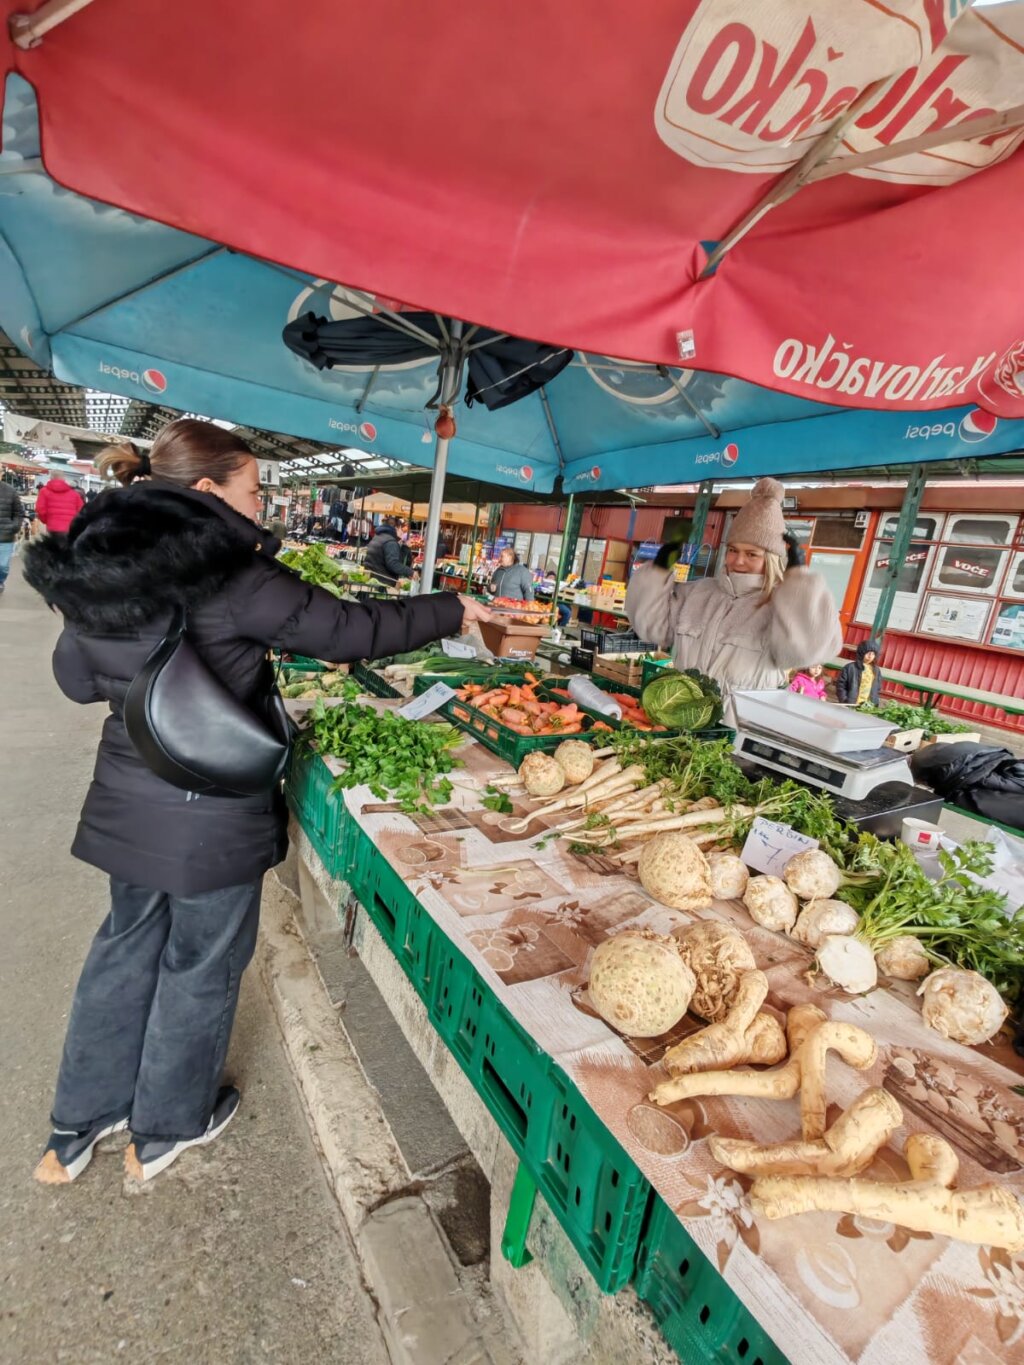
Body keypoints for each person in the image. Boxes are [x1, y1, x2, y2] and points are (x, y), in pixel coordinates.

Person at [22, 418, 490, 1185]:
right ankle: (167, 1126)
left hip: (127, 803)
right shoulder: (235, 574)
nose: (260, 506)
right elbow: (346, 629)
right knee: (201, 959)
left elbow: (76, 680)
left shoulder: (103, 564)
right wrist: (449, 609)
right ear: (208, 491)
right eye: (252, 489)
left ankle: (79, 1123)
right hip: (210, 810)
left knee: (123, 944)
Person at [626, 478, 842, 724]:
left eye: (752, 554)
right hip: (680, 718)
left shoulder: (780, 606)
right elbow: (652, 629)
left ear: (771, 558)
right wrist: (658, 572)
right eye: (733, 550)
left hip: (739, 729)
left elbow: (804, 652)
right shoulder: (699, 592)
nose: (738, 561)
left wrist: (800, 584)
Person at [364, 516, 412, 585]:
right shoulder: (390, 542)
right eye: (401, 529)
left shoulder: (378, 536)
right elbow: (393, 564)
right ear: (396, 528)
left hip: (372, 578)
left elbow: (396, 559)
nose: (402, 532)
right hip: (382, 582)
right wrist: (411, 572)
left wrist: (405, 547)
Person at [836, 639, 883, 706]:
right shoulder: (850, 668)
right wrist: (844, 700)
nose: (870, 656)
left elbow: (878, 688)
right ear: (861, 653)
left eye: (873, 654)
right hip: (851, 704)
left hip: (868, 706)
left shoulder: (876, 670)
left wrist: (875, 702)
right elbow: (841, 686)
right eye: (868, 653)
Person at [0, 476, 25, 592]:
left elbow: (18, 512)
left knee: (3, 566)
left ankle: (0, 581)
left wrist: (14, 527)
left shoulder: (10, 490)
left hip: (5, 535)